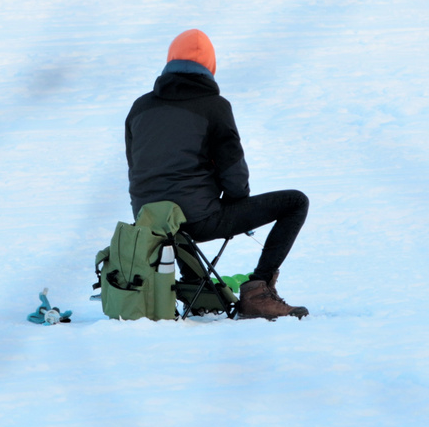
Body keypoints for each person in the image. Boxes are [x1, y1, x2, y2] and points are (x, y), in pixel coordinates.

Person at [125, 29, 308, 320]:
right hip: (199, 221)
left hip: (150, 223)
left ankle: (196, 287)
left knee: (183, 208)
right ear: (210, 68)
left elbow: (136, 167)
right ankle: (258, 292)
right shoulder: (215, 107)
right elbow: (233, 173)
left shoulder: (140, 107)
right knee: (296, 202)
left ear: (169, 61)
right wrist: (237, 203)